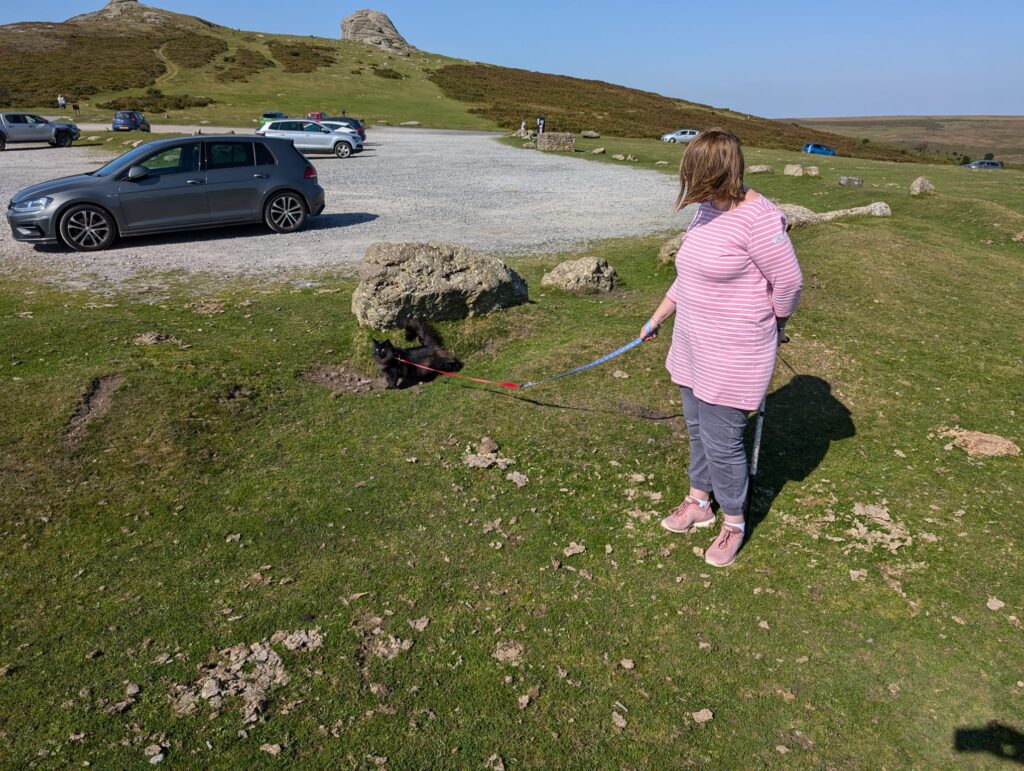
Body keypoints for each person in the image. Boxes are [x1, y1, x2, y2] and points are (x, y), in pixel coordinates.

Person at [641, 128, 803, 567]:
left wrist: (776, 322)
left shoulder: (759, 218)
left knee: (724, 441)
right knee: (697, 429)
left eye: (695, 176)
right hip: (693, 342)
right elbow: (688, 274)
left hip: (735, 351)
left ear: (716, 174)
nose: (689, 187)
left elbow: (788, 282)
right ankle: (699, 502)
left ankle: (734, 522)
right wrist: (657, 318)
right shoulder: (707, 210)